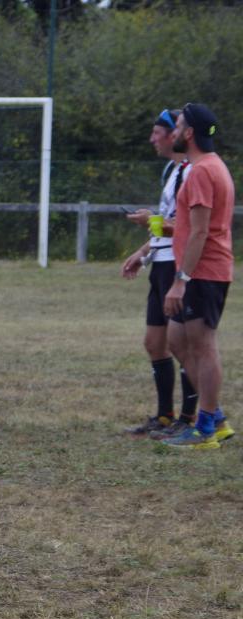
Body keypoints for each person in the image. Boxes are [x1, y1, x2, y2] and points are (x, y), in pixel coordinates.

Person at [161, 102, 234, 450]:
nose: (172, 132)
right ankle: (214, 417)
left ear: (189, 133)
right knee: (177, 340)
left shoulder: (204, 170)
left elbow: (200, 231)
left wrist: (181, 280)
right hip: (199, 272)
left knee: (204, 346)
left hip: (204, 272)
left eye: (177, 126)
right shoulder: (206, 166)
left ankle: (205, 429)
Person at [120, 109, 196, 439]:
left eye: (157, 132)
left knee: (183, 344)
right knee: (155, 343)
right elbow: (166, 222)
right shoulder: (171, 170)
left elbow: (189, 227)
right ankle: (165, 416)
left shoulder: (193, 171)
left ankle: (190, 418)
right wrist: (144, 253)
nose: (152, 139)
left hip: (178, 264)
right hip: (161, 261)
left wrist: (150, 221)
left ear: (174, 135)